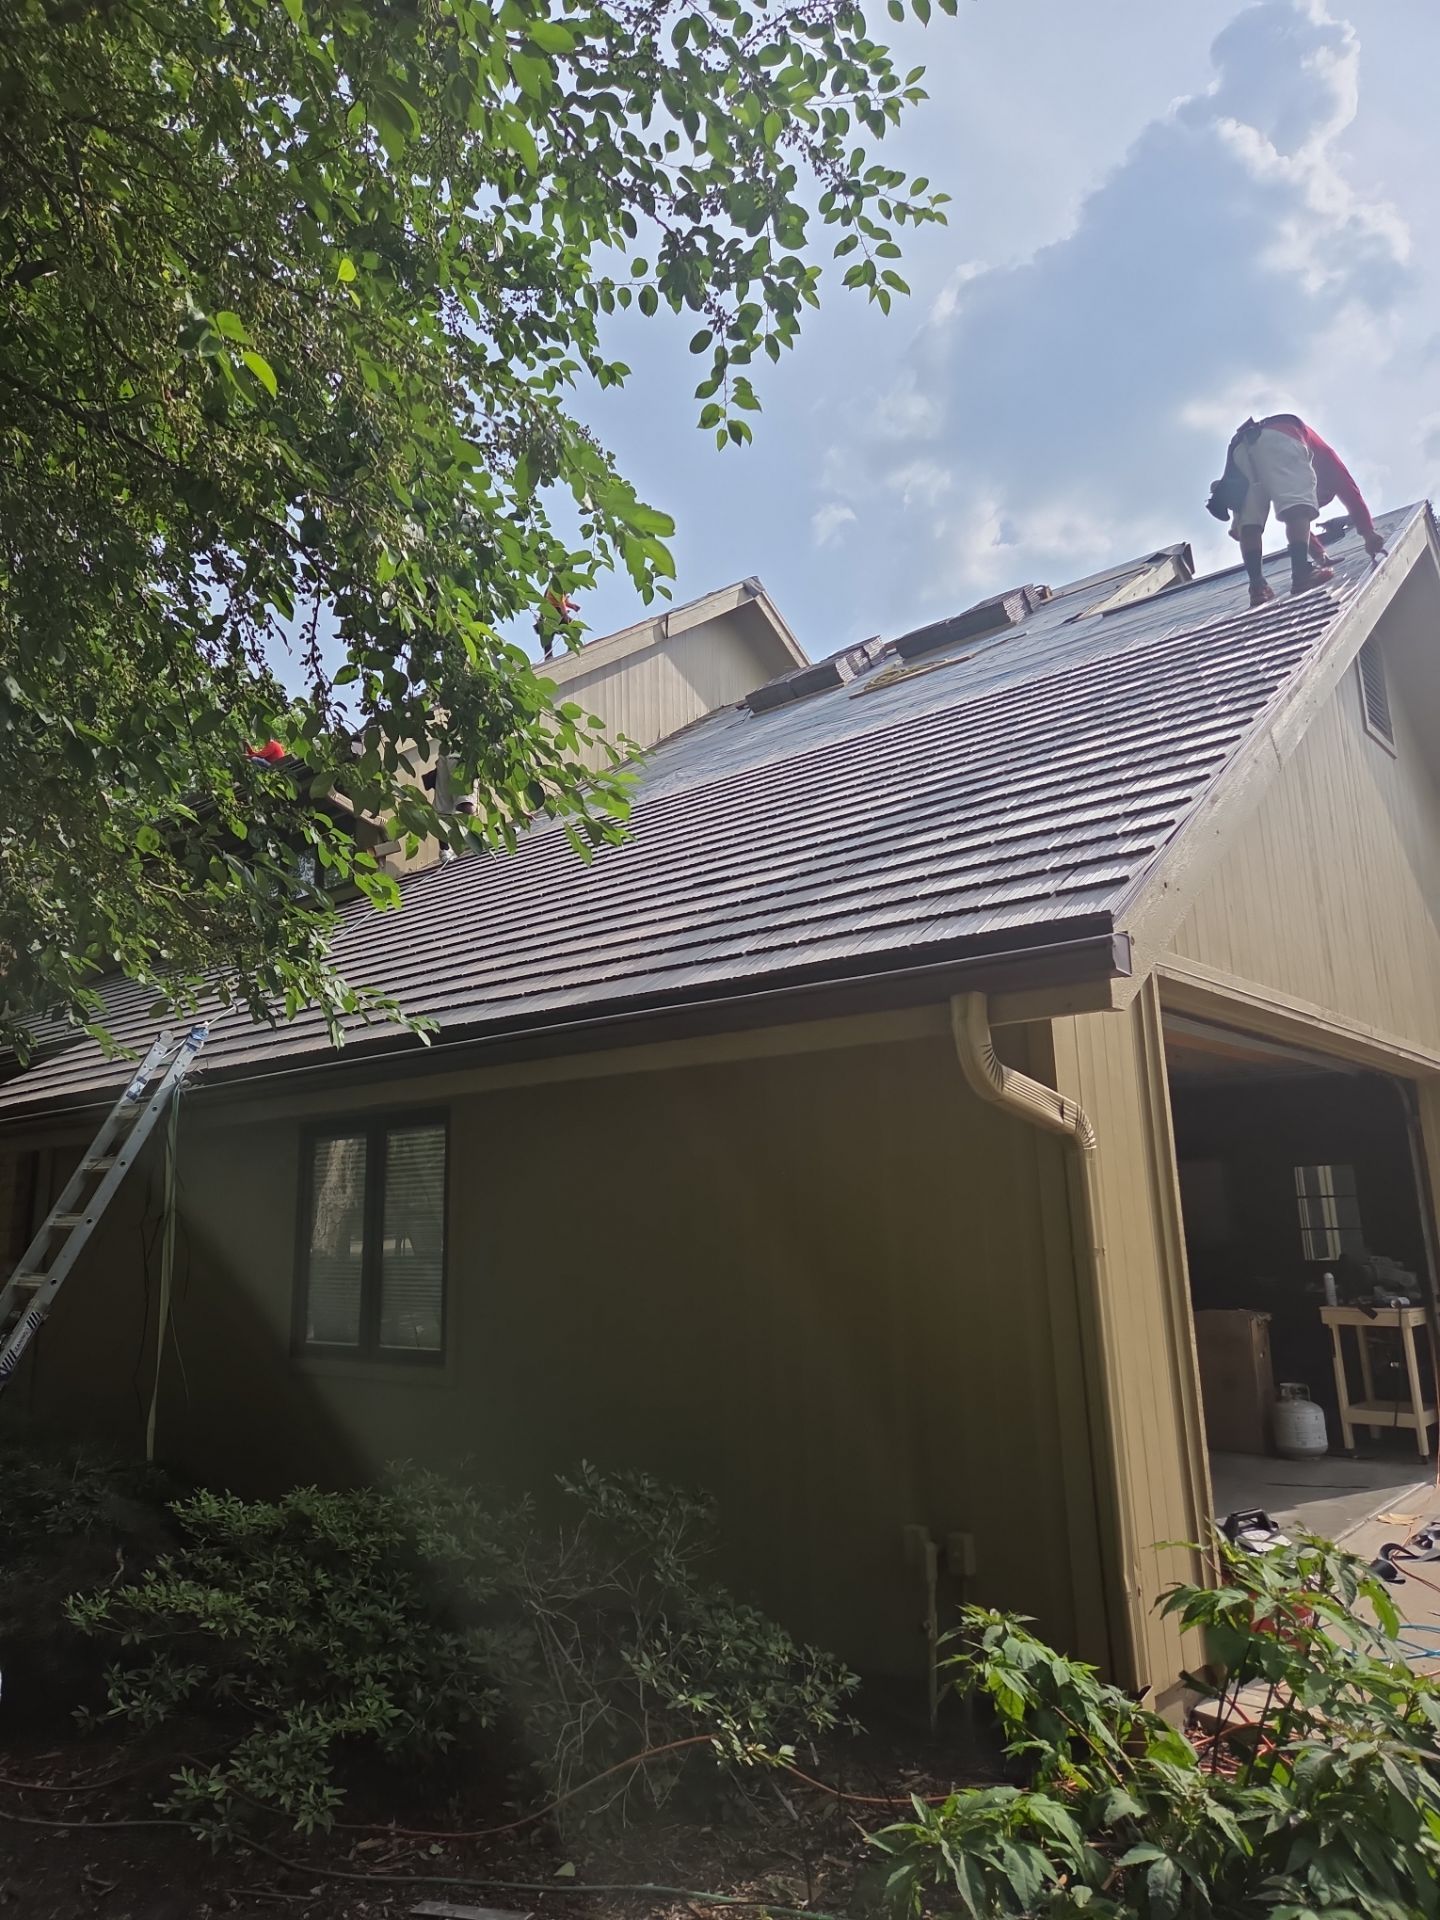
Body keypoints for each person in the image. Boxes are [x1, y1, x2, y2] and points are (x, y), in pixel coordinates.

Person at [1206, 414, 1386, 609]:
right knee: (1298, 508)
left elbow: (1299, 524)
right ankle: (1301, 574)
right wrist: (1368, 533)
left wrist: (1320, 555)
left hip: (1242, 446)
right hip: (1281, 438)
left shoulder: (1287, 478)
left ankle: (1257, 586)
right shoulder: (1330, 466)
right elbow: (1352, 496)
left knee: (1251, 521)